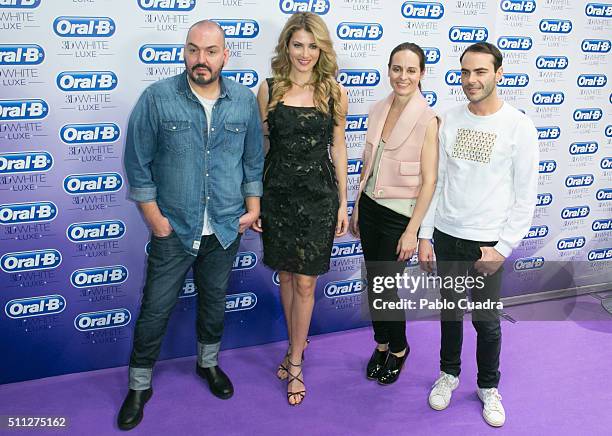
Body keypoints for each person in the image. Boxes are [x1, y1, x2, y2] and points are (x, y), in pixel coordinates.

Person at [118, 20, 263, 430]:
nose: (201, 59)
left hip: (224, 227)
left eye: (211, 51)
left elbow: (252, 160)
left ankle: (208, 365)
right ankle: (139, 386)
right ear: (184, 52)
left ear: (225, 55)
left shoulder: (242, 102)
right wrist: (155, 219)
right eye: (193, 50)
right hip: (174, 229)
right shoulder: (157, 98)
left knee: (214, 302)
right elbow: (137, 164)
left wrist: (252, 208)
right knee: (155, 309)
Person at [418, 42, 539, 427]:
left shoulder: (518, 126)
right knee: (450, 312)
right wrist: (425, 234)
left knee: (486, 321)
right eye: (466, 72)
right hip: (447, 235)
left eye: (480, 72)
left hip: (487, 243)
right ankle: (449, 374)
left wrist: (502, 248)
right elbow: (435, 183)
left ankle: (488, 386)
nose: (471, 80)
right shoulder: (447, 119)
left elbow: (526, 196)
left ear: (498, 74)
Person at [253, 12, 348, 406]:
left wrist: (344, 201)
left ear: (321, 49)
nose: (305, 53)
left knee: (306, 281)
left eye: (312, 45)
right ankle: (297, 344)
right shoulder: (269, 89)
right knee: (288, 278)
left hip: (319, 197)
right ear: (286, 47)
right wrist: (255, 200)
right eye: (298, 45)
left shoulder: (334, 92)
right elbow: (262, 150)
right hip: (278, 195)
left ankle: (295, 361)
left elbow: (338, 148)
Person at [349, 43, 439, 385]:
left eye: (411, 70)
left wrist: (412, 231)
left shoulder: (429, 119)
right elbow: (367, 167)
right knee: (373, 284)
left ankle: (399, 349)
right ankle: (381, 343)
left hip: (399, 217)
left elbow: (430, 181)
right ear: (389, 70)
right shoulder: (377, 109)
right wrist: (357, 206)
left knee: (385, 287)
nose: (403, 76)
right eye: (397, 69)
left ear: (421, 74)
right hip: (370, 207)